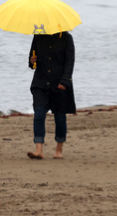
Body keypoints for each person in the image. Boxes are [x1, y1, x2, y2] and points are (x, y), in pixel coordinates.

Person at [27, 31, 76, 160]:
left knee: (60, 117)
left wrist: (64, 81)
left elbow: (69, 62)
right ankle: (39, 150)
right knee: (39, 114)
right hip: (40, 84)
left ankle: (59, 149)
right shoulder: (38, 36)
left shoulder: (66, 38)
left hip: (59, 84)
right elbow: (32, 63)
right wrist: (32, 61)